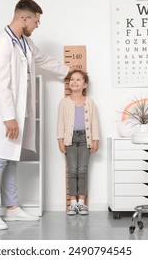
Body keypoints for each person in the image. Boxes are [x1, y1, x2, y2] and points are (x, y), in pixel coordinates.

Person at [0, 0, 69, 230]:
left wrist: (69, 72)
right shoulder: (0, 45)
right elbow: (1, 85)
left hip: (16, 114)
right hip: (3, 114)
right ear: (24, 18)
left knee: (10, 160)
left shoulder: (25, 44)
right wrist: (9, 117)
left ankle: (12, 208)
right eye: (36, 21)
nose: (37, 26)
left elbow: (44, 60)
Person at [57, 69, 100, 215]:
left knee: (82, 170)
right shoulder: (64, 102)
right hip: (70, 139)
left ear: (85, 84)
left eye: (78, 80)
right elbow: (60, 123)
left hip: (85, 139)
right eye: (72, 79)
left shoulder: (90, 102)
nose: (74, 82)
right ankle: (73, 203)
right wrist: (60, 140)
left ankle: (82, 203)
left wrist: (96, 139)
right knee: (72, 170)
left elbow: (94, 122)